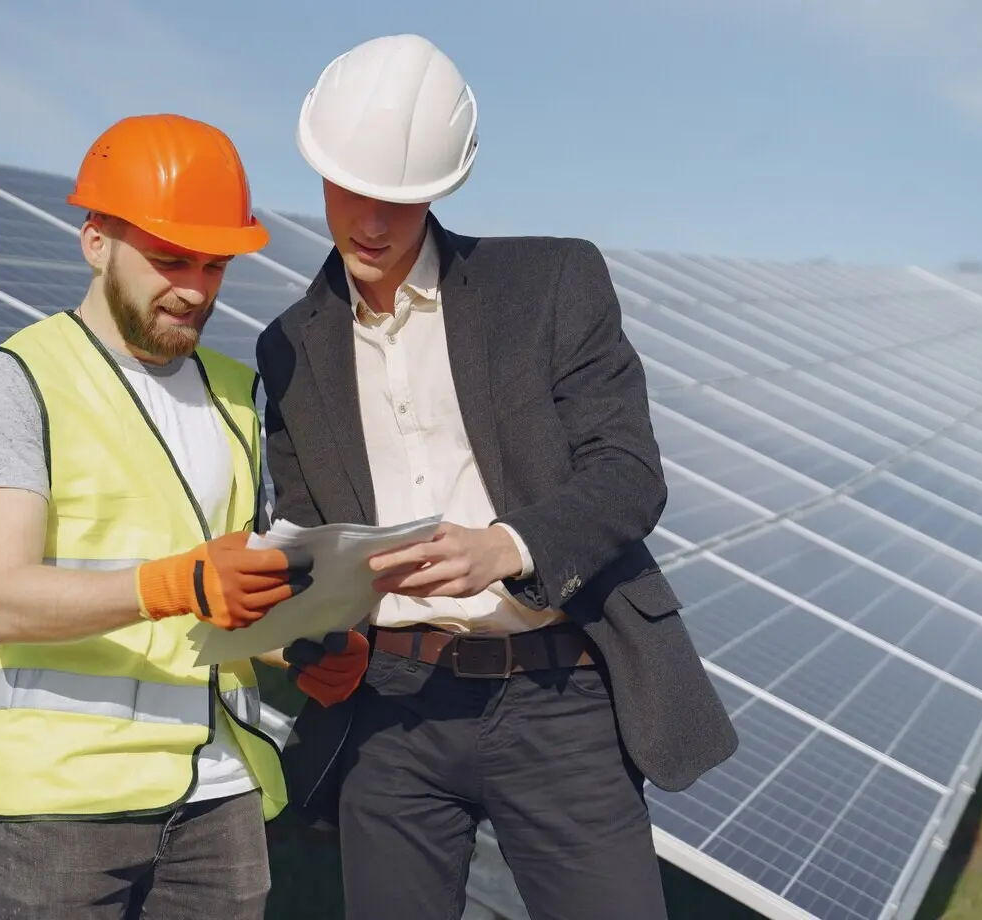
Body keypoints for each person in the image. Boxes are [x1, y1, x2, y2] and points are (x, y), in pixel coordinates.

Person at [261, 35, 740, 920]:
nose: (370, 221)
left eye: (399, 201)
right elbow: (303, 533)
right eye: (351, 191)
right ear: (318, 170)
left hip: (558, 698)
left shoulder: (551, 281)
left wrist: (507, 547)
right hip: (391, 713)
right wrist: (311, 641)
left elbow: (629, 472)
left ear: (440, 189)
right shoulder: (288, 348)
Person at [0, 113, 360, 920]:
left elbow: (224, 598)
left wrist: (300, 648)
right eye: (170, 259)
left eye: (214, 264)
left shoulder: (238, 392)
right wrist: (176, 583)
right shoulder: (19, 381)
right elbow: (1, 598)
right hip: (68, 800)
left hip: (222, 792)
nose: (195, 288)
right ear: (95, 240)